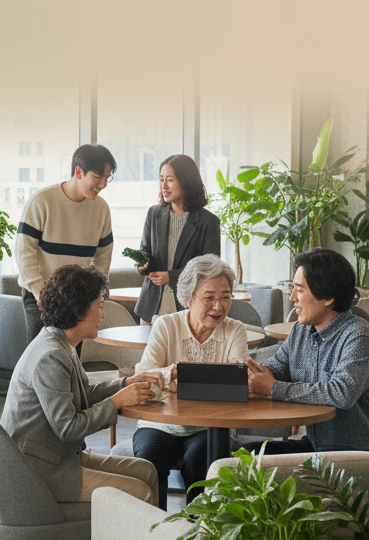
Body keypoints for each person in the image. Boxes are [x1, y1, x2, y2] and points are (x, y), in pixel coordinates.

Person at [0, 264, 161, 540]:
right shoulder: (50, 356)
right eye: (99, 305)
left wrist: (123, 385)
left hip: (55, 456)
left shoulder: (61, 343)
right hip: (41, 471)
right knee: (140, 492)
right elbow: (68, 426)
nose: (103, 311)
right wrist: (118, 403)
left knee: (147, 470)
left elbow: (81, 399)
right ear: (78, 310)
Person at [241, 247, 369, 455]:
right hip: (319, 447)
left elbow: (341, 394)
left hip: (360, 454)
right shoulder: (302, 330)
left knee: (253, 465)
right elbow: (276, 368)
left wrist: (273, 388)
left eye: (299, 290)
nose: (293, 297)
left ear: (328, 296)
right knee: (246, 455)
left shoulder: (358, 335)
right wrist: (245, 374)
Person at [131, 254, 248, 509]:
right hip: (160, 424)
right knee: (150, 459)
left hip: (208, 427)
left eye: (226, 297)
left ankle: (199, 537)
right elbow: (144, 378)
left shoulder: (235, 329)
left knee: (202, 462)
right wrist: (171, 373)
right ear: (187, 298)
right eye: (209, 298)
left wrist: (174, 379)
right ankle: (154, 537)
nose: (218, 306)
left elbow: (238, 381)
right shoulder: (165, 325)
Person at [15, 143, 116, 345]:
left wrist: (95, 292)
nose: (103, 184)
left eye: (107, 178)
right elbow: (24, 252)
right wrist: (40, 293)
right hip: (40, 296)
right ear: (79, 172)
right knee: (43, 356)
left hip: (77, 298)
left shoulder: (101, 209)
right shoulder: (42, 201)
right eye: (98, 177)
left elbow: (103, 256)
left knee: (71, 359)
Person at [133, 154, 221, 322]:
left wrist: (171, 277)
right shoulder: (154, 214)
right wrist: (143, 265)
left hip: (187, 304)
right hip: (151, 304)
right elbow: (146, 252)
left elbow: (210, 269)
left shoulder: (209, 222)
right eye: (161, 180)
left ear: (186, 181)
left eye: (170, 180)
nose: (164, 186)